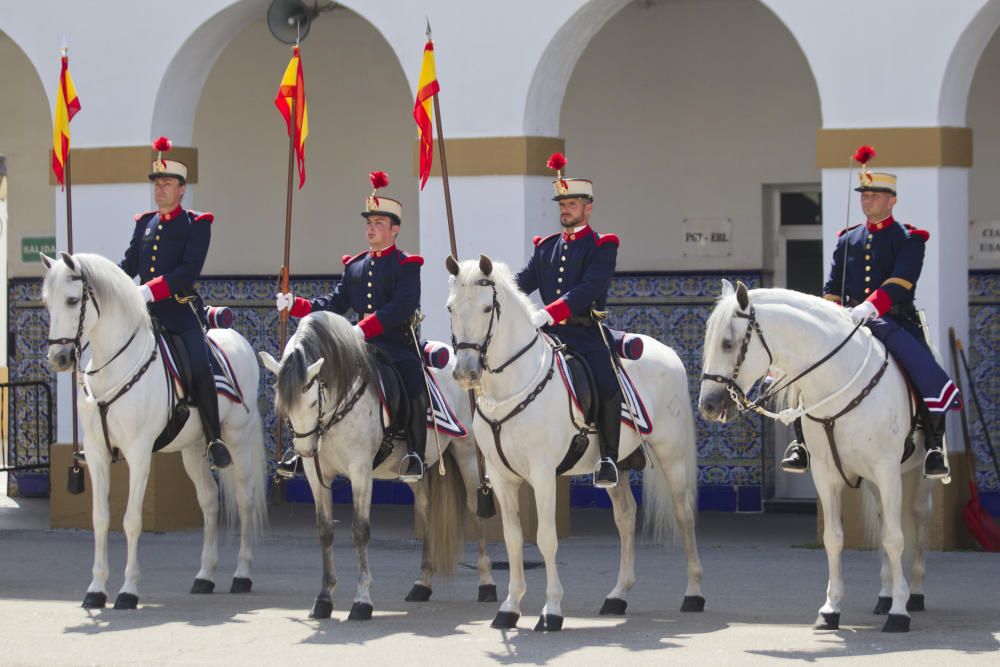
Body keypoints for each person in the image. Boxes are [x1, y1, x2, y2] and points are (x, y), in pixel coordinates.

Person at [781, 170, 959, 479]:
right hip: (848, 321)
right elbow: (832, 285)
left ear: (892, 201)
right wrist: (832, 314)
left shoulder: (909, 239)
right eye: (864, 195)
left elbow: (900, 282)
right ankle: (802, 444)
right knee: (802, 369)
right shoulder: (847, 239)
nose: (867, 200)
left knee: (923, 367)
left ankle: (932, 445)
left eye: (874, 196)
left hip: (894, 318)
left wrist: (871, 306)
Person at [276, 171, 427, 480]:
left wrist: (362, 329)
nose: (371, 229)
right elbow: (333, 303)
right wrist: (296, 303)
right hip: (357, 348)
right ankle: (301, 447)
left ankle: (414, 453)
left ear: (395, 230)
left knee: (414, 383)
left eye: (379, 224)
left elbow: (400, 308)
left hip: (394, 345)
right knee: (313, 383)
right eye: (369, 224)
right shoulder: (355, 266)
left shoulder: (407, 265)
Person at [120, 136, 231, 468]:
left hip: (180, 312)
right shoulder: (144, 224)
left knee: (200, 366)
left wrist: (149, 290)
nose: (160, 189)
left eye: (167, 183)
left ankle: (213, 439)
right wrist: (107, 285)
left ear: (182, 189)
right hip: (144, 313)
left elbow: (187, 271)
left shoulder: (196, 224)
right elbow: (128, 266)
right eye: (157, 183)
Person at [515, 153, 622, 488]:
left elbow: (589, 289)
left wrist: (550, 311)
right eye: (562, 204)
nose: (566, 209)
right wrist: (493, 291)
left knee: (606, 384)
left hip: (585, 333)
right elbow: (522, 283)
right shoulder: (545, 248)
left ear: (588, 208)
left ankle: (608, 457)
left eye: (572, 203)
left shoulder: (602, 246)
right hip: (548, 335)